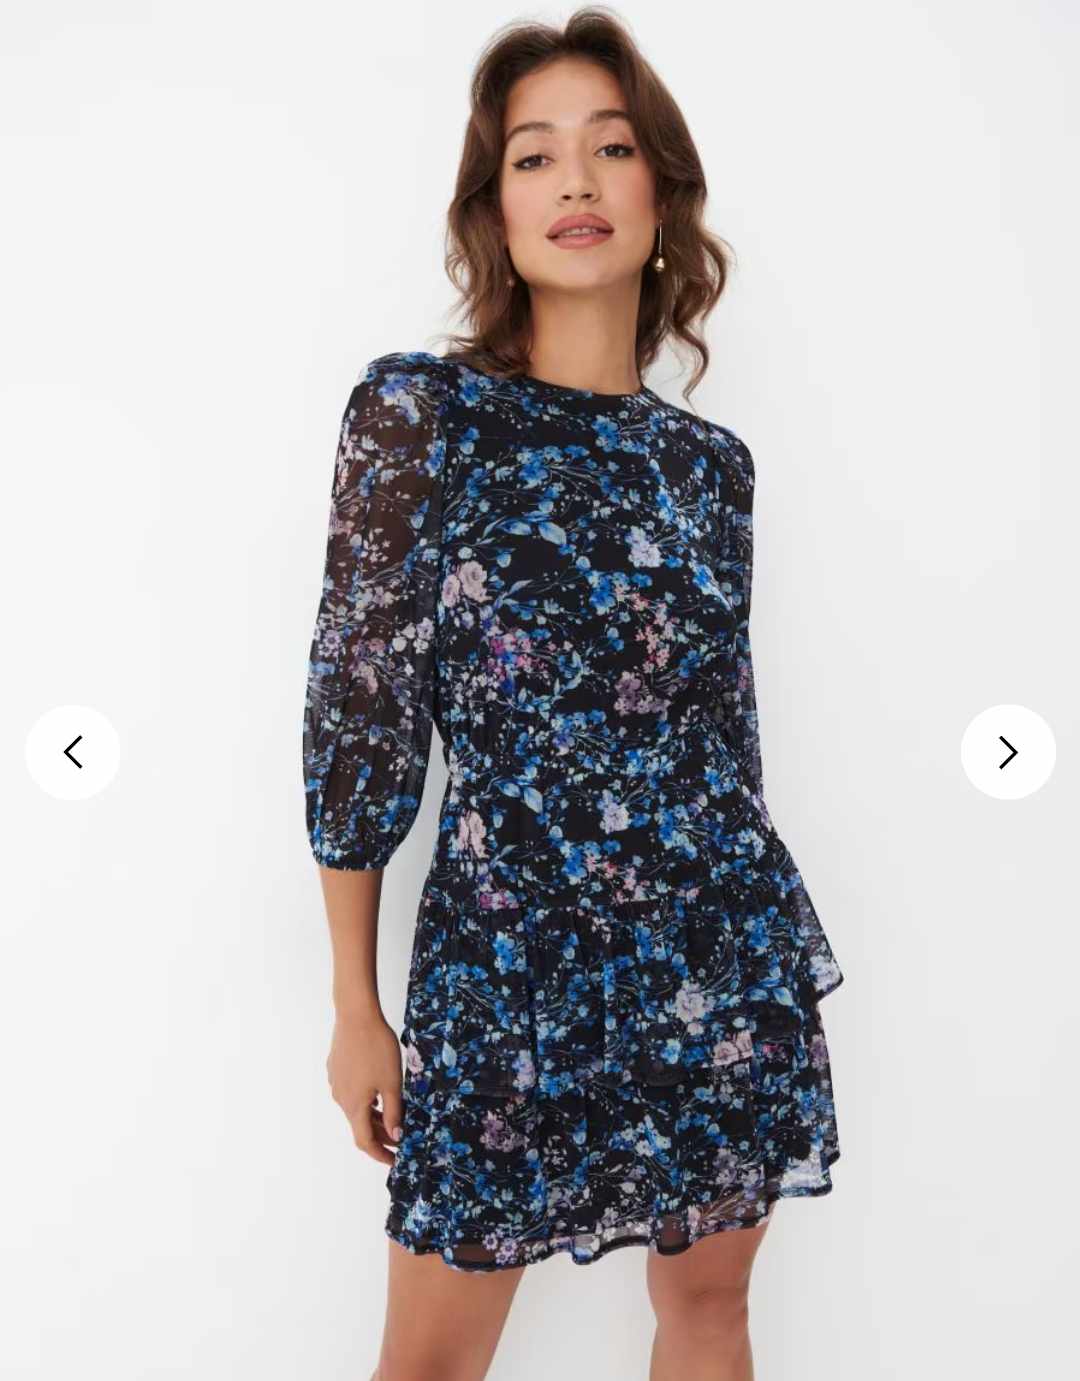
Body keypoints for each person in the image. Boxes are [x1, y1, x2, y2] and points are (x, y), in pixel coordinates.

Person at [302, 8, 845, 1379]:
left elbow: (727, 742)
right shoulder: (423, 417)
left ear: (660, 194)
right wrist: (356, 1005)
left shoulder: (711, 469)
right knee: (429, 1363)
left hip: (713, 948)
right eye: (534, 157)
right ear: (495, 210)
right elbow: (361, 713)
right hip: (506, 960)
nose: (577, 182)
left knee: (712, 1313)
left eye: (610, 147)